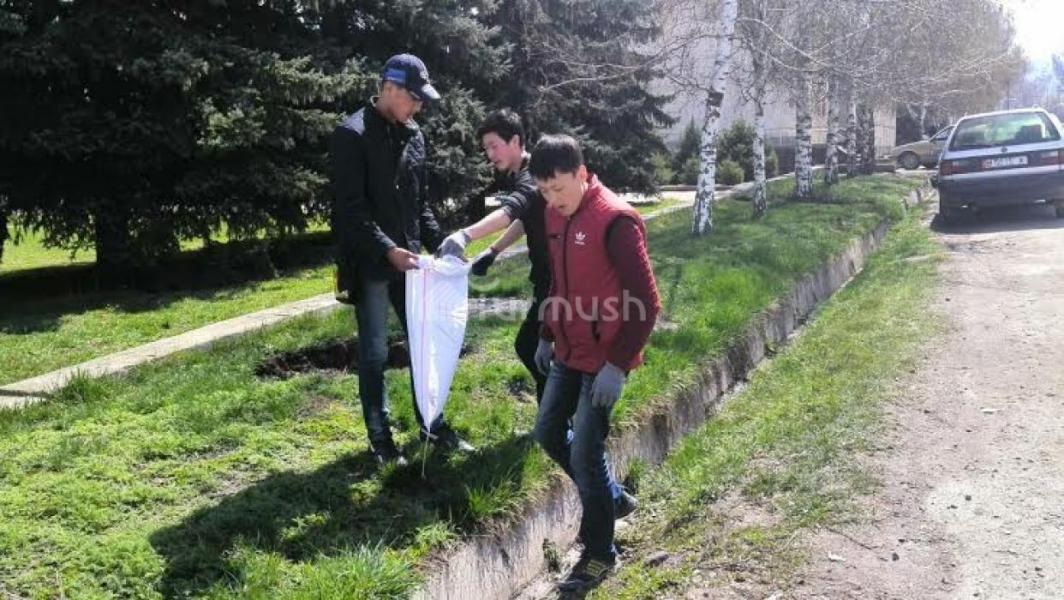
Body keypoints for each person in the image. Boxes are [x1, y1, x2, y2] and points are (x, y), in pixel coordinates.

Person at [437, 110, 636, 517]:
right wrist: (493, 251)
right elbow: (527, 218)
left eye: (494, 145)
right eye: (485, 148)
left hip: (560, 286)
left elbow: (513, 209)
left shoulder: (535, 176)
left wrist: (466, 235)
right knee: (533, 349)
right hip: (552, 282)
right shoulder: (534, 183)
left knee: (535, 349)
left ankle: (565, 424)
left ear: (516, 141)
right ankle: (561, 423)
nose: (490, 154)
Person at [529, 134, 660, 592]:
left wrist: (618, 366)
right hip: (568, 350)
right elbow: (559, 280)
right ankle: (612, 498)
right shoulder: (553, 214)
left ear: (582, 174)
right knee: (548, 432)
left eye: (559, 188)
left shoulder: (616, 220)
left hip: (604, 360)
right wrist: (547, 332)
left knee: (586, 454)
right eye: (544, 190)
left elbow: (647, 301)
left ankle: (601, 554)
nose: (553, 199)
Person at [331, 53, 474, 466]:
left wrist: (442, 244)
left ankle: (432, 424)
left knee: (423, 346)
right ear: (389, 88)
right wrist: (386, 250)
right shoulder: (351, 135)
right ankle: (381, 440)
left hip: (411, 266)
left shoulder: (414, 135)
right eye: (414, 97)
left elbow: (419, 204)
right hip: (372, 264)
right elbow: (350, 212)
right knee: (375, 352)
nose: (419, 107)